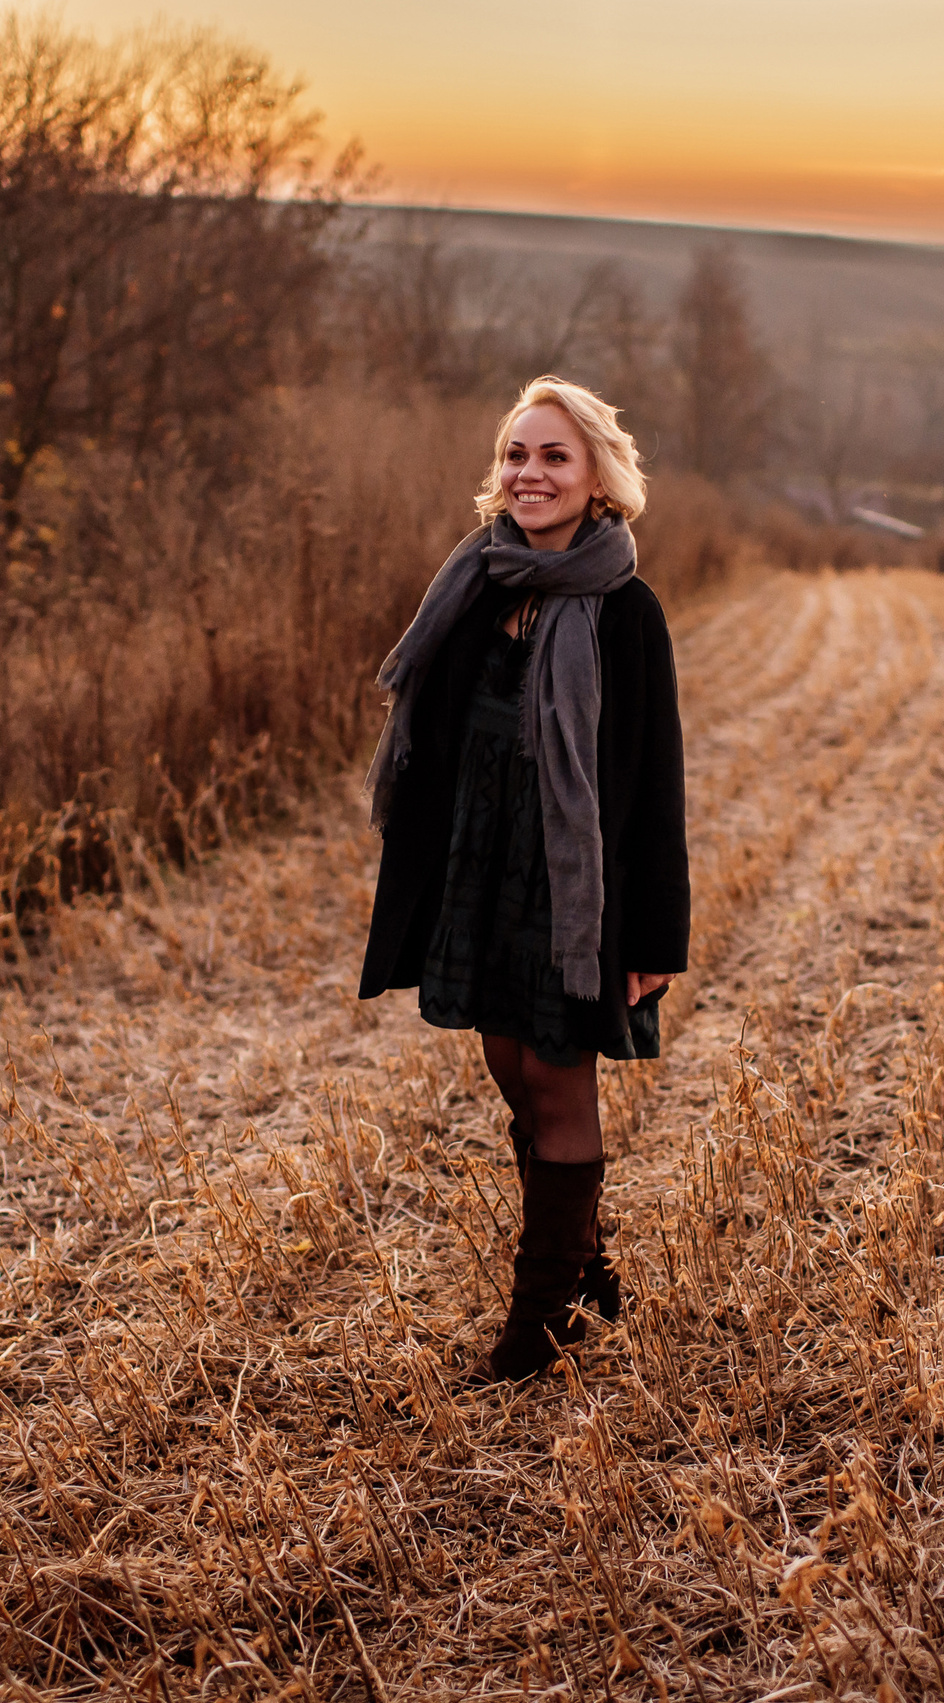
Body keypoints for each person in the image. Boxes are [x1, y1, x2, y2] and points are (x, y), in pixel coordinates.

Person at [359, 376, 690, 1383]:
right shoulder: (478, 585)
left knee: (555, 1082)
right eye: (516, 453)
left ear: (598, 479)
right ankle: (585, 1276)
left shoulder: (625, 613)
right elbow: (432, 742)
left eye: (553, 455)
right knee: (510, 1069)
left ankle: (538, 1327)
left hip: (571, 891)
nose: (528, 472)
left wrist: (654, 938)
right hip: (479, 870)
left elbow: (655, 783)